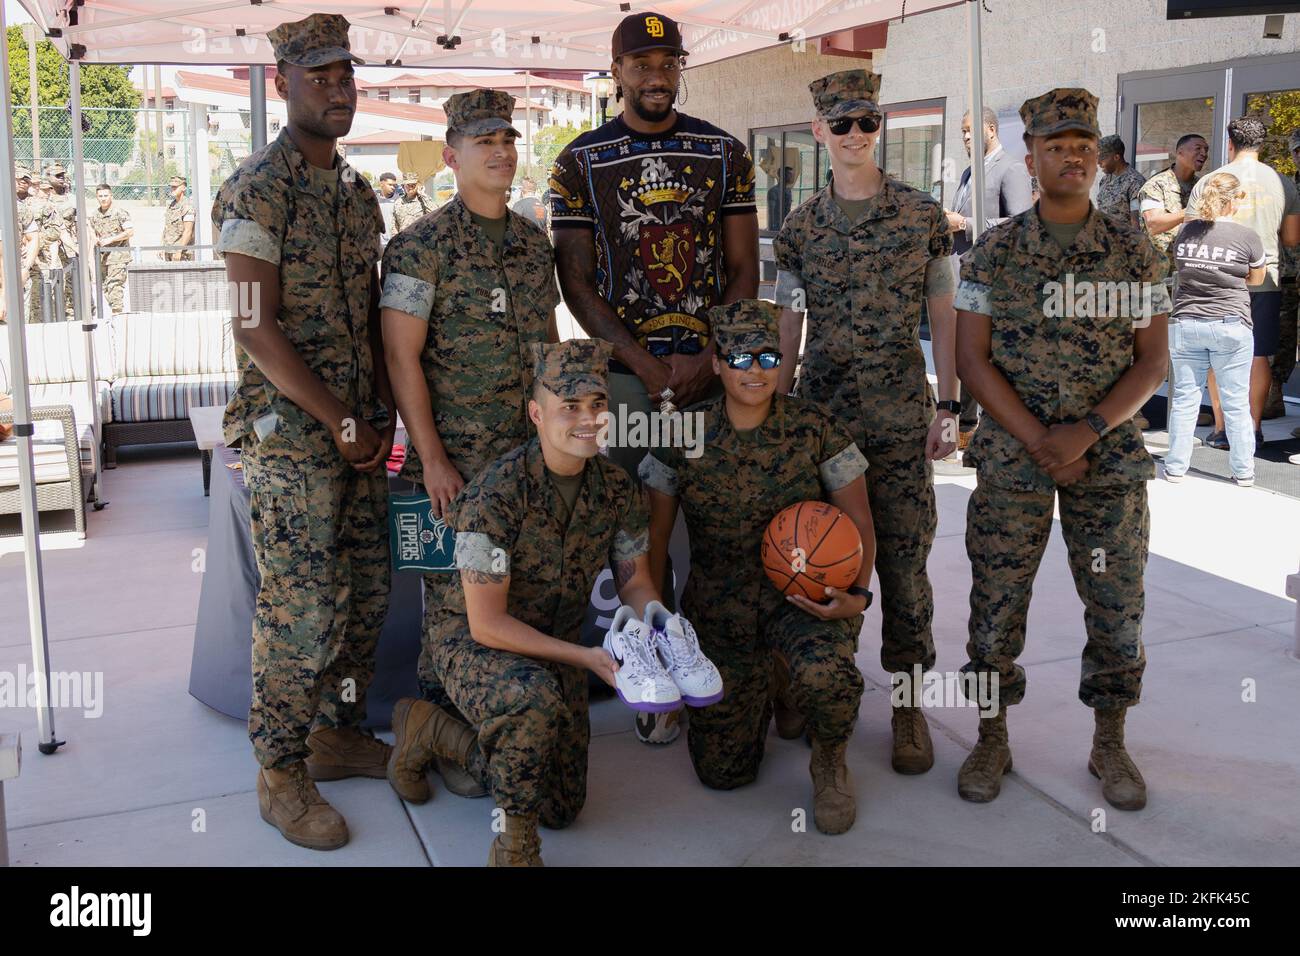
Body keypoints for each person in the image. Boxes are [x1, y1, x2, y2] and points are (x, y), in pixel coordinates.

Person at [954, 88, 1169, 812]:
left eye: (1083, 144)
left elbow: (1152, 363)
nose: (1072, 156)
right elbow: (972, 361)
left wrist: (1090, 430)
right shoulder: (993, 251)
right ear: (1031, 157)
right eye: (1057, 145)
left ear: (1096, 156)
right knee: (995, 602)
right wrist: (1041, 439)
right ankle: (992, 734)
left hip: (1107, 462)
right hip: (1016, 462)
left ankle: (1109, 741)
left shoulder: (1136, 252)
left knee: (1116, 606)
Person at [211, 12, 396, 851]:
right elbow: (254, 326)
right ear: (281, 82)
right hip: (293, 440)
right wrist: (341, 416)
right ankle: (279, 771)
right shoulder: (257, 187)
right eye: (318, 77)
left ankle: (334, 733)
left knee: (364, 596)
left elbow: (371, 313)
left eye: (345, 75)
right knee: (302, 611)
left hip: (359, 436)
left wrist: (378, 411)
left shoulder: (358, 195)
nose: (336, 90)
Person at [550, 10, 759, 745]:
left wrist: (710, 355)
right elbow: (575, 280)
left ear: (679, 70)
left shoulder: (724, 151)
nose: (654, 74)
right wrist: (640, 361)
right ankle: (647, 680)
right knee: (634, 535)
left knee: (723, 521)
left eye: (666, 63)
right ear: (616, 72)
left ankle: (734, 671)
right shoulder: (579, 161)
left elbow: (743, 268)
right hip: (629, 380)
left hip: (710, 371)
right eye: (638, 62)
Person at [388, 339, 670, 866]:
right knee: (532, 704)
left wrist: (660, 625)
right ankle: (515, 848)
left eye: (597, 405)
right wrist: (587, 658)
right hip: (472, 639)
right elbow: (488, 624)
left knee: (563, 806)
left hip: (551, 641)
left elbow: (635, 583)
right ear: (537, 413)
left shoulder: (616, 489)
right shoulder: (495, 495)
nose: (587, 420)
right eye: (570, 406)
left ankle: (433, 731)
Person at [774, 69, 958, 776]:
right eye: (842, 124)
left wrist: (949, 406)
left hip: (901, 421)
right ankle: (818, 694)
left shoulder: (921, 216)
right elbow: (790, 320)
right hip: (823, 420)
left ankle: (908, 708)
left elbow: (943, 313)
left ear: (879, 127)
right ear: (820, 132)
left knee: (907, 573)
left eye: (867, 122)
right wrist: (781, 405)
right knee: (821, 560)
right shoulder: (799, 228)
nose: (856, 135)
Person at [380, 88, 559, 801]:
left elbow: (547, 349)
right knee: (453, 608)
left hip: (524, 463)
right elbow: (401, 359)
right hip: (455, 468)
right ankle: (441, 727)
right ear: (452, 156)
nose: (501, 151)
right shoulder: (419, 246)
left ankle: (502, 729)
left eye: (509, 139)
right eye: (485, 141)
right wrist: (430, 458)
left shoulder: (531, 242)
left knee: (519, 599)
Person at [641, 299, 874, 833]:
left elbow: (858, 520)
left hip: (804, 604)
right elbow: (653, 539)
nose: (755, 370)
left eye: (768, 357)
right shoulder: (681, 435)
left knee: (828, 675)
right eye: (740, 357)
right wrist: (658, 625)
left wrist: (856, 596)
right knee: (724, 773)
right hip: (721, 612)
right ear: (718, 364)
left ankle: (830, 760)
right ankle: (772, 683)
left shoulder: (815, 427)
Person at [1191, 117, 1300, 452]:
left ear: (1229, 143)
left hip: (1217, 281)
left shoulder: (1210, 181)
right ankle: (1252, 430)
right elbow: (1293, 238)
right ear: (1262, 145)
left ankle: (1223, 430)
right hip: (1264, 279)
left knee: (1216, 355)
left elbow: (1195, 232)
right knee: (1258, 356)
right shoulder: (1282, 182)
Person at [1163, 172, 1265, 486]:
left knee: (1184, 399)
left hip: (1186, 322)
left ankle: (1176, 467)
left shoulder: (1186, 231)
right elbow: (1257, 280)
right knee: (1235, 400)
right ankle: (1244, 471)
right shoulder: (1247, 237)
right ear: (1232, 201)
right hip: (1230, 325)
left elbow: (1181, 269)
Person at [944, 107, 1033, 447]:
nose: (966, 137)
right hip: (963, 278)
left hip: (993, 283)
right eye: (962, 132)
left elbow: (1021, 226)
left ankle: (988, 428)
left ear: (991, 130)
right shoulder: (969, 173)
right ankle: (966, 425)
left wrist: (964, 224)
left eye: (971, 130)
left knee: (985, 356)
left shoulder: (1010, 169)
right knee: (964, 353)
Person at [1140, 133, 1209, 287]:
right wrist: (1192, 210)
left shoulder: (1203, 187)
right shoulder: (1156, 185)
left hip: (1192, 276)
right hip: (1160, 277)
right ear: (1180, 152)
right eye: (1198, 149)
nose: (1204, 154)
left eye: (1206, 150)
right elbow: (1154, 224)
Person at [1269, 129, 1300, 421]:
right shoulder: (1287, 187)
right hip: (1289, 274)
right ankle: (1274, 396)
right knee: (1283, 341)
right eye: (1297, 151)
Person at [88, 183, 133, 315]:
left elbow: (130, 231)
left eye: (106, 195)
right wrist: (94, 239)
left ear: (111, 196)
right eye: (100, 196)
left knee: (115, 287)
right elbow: (91, 230)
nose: (103, 199)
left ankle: (117, 316)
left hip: (118, 257)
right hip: (103, 259)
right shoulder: (95, 215)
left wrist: (111, 239)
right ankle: (115, 312)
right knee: (106, 288)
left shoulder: (119, 213)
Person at [1095, 135, 1146, 228]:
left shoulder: (1135, 182)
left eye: (1102, 158)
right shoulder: (1105, 180)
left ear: (1116, 157)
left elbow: (1137, 224)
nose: (1098, 162)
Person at [161, 176, 195, 260]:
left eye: (175, 187)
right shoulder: (171, 205)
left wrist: (179, 251)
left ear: (183, 188)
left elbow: (188, 231)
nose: (172, 189)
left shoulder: (187, 206)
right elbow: (167, 228)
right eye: (171, 187)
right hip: (169, 250)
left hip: (181, 253)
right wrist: (162, 247)